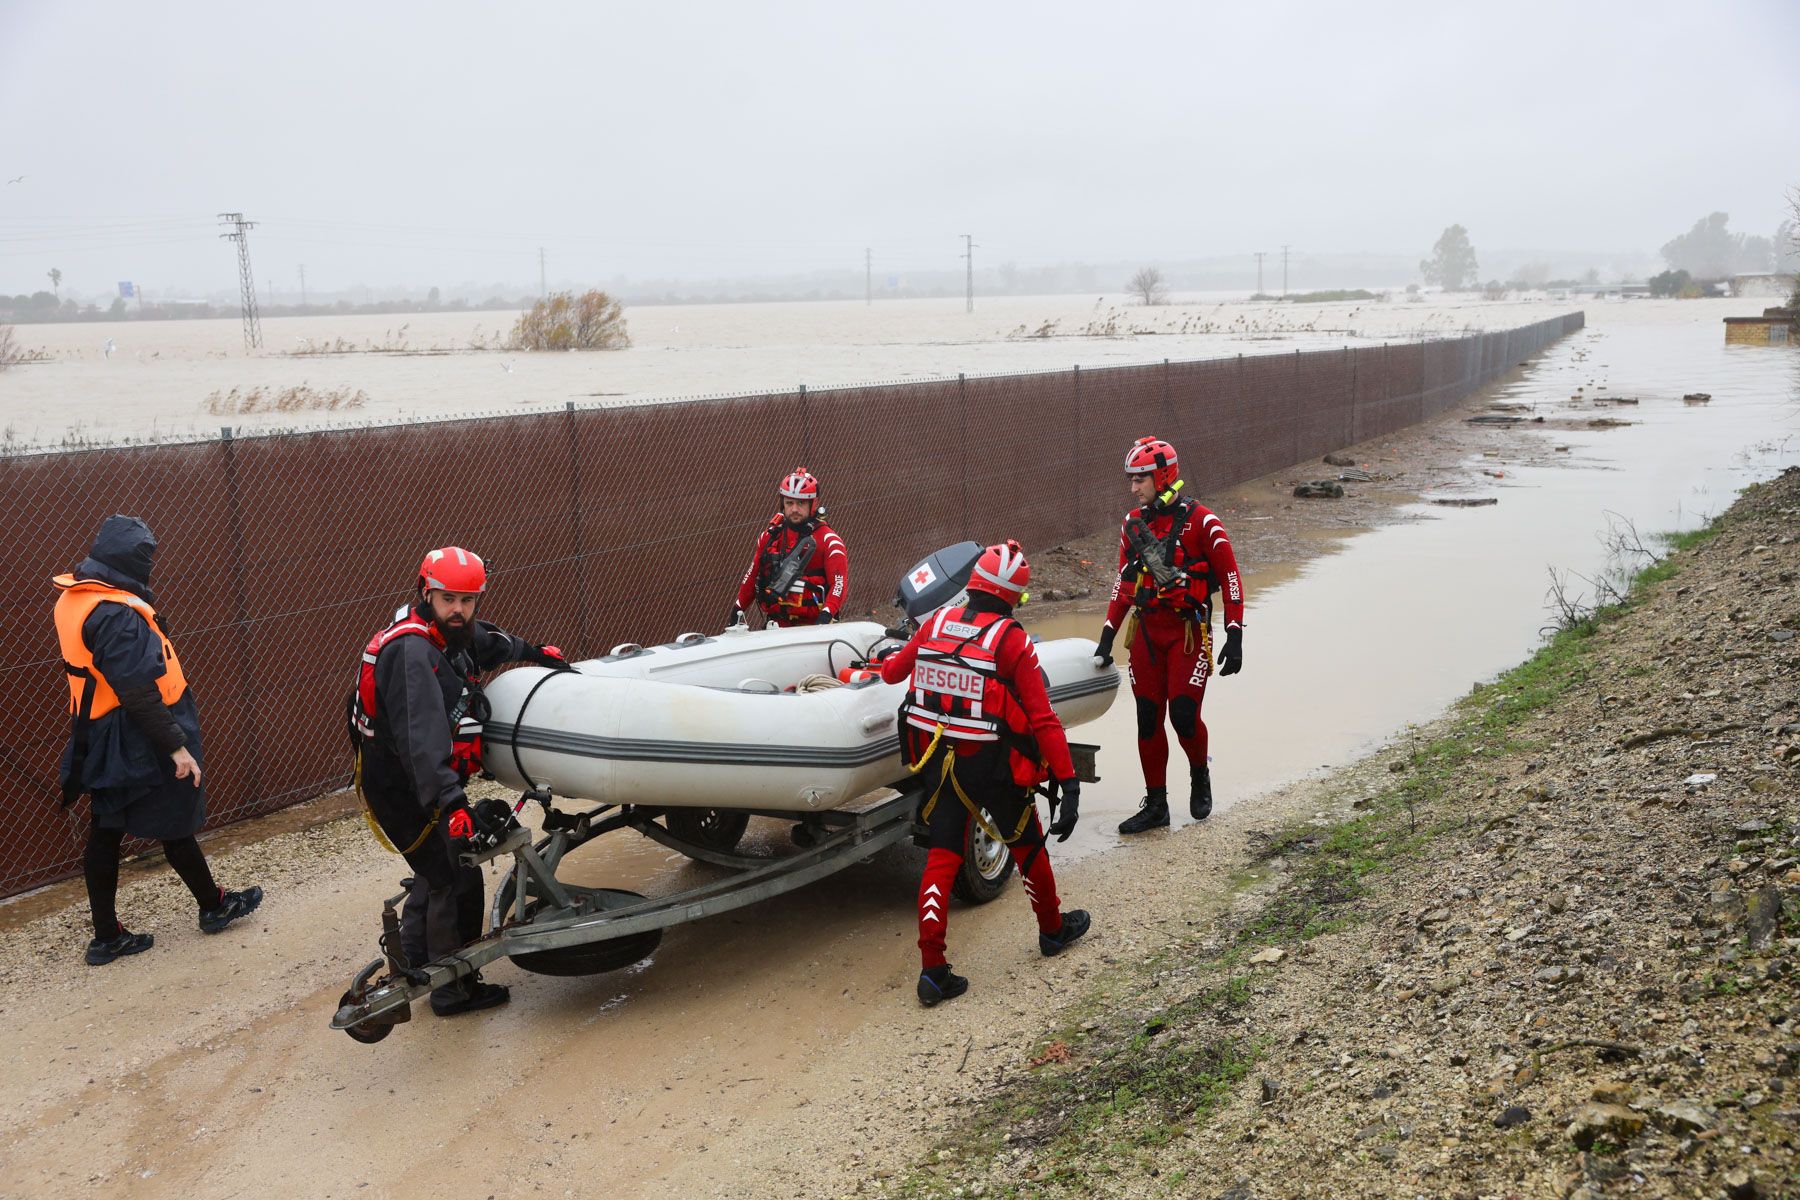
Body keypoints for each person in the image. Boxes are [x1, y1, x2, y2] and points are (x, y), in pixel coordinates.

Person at [350, 546, 571, 1017]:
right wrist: (453, 806)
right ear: (426, 592)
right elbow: (423, 742)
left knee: (435, 873)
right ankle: (454, 988)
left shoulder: (444, 631)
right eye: (448, 598)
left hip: (412, 779)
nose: (459, 610)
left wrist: (535, 653)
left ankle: (413, 961)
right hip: (400, 785)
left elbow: (487, 643)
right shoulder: (412, 653)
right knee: (453, 875)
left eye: (468, 600)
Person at [877, 540, 1089, 1005]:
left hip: (938, 761)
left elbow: (893, 673)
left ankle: (933, 969)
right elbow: (1043, 719)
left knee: (942, 855)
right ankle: (1053, 930)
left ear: (971, 584)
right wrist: (1068, 782)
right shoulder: (1010, 639)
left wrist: (868, 667)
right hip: (992, 766)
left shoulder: (932, 622)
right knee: (1028, 844)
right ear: (1013, 596)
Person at [53, 515, 263, 966]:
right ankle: (213, 905)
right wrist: (176, 747)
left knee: (107, 829)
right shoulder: (115, 616)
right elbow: (136, 692)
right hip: (135, 731)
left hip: (101, 727)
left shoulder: (78, 598)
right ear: (133, 564)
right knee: (175, 813)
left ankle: (108, 936)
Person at [1094, 437, 1245, 834]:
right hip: (1146, 632)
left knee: (1183, 716)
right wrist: (1108, 635)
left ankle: (1199, 775)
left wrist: (1234, 633)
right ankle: (1156, 804)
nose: (1133, 488)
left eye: (1140, 478)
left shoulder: (1204, 522)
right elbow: (1124, 582)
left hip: (1187, 634)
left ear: (1162, 475)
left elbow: (1230, 576)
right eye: (1131, 480)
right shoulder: (1133, 524)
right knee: (1147, 719)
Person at [730, 466, 849, 628]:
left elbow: (839, 585)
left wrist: (826, 616)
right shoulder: (769, 537)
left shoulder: (829, 541)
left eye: (801, 503)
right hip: (775, 625)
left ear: (813, 504)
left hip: (813, 625)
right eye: (789, 503)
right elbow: (752, 577)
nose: (794, 509)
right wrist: (738, 609)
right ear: (782, 503)